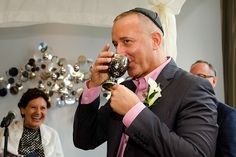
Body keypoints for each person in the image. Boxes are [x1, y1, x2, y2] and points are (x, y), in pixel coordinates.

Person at [73, 8, 218, 157]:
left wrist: (134, 112)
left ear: (155, 40)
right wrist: (93, 86)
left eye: (126, 41)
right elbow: (84, 140)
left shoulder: (193, 87)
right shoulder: (125, 88)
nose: (119, 52)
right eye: (116, 44)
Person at [190, 60, 236, 157]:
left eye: (201, 76)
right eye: (191, 77)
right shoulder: (184, 111)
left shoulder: (228, 115)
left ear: (214, 81)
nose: (194, 81)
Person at [0, 88, 64, 157]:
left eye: (42, 108)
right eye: (33, 107)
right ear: (22, 110)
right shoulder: (5, 132)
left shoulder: (52, 135)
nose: (38, 113)